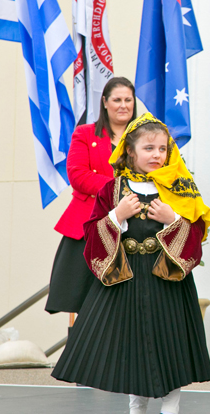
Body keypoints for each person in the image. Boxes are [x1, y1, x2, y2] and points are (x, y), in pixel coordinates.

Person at [51, 113, 210, 414]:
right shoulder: (112, 190)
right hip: (126, 282)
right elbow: (91, 236)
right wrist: (117, 216)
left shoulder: (180, 188)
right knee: (132, 352)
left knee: (171, 347)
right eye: (149, 148)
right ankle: (135, 408)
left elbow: (195, 239)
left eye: (162, 149)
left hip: (167, 282)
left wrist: (173, 220)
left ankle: (171, 409)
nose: (156, 155)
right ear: (130, 151)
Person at [46, 77, 137, 315]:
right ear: (105, 102)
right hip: (89, 224)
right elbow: (78, 176)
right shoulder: (85, 134)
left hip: (136, 226)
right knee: (86, 303)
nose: (123, 105)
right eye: (117, 99)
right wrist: (122, 188)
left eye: (128, 99)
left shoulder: (146, 137)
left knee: (126, 305)